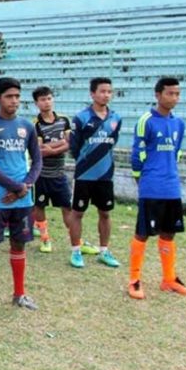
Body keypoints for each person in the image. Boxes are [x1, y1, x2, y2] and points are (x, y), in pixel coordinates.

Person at [0, 77, 42, 316]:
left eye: (17, 96)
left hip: (23, 196)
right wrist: (14, 186)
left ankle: (19, 294)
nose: (14, 101)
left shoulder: (27, 126)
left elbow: (37, 160)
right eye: (8, 96)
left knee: (19, 243)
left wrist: (25, 185)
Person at [128, 77, 186, 299]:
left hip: (171, 187)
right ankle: (134, 280)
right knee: (143, 233)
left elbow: (176, 153)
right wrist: (142, 180)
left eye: (177, 94)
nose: (174, 98)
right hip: (151, 187)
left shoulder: (179, 123)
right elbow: (137, 155)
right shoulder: (146, 120)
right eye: (170, 93)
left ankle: (169, 280)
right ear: (158, 95)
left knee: (169, 233)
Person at [68, 77, 122, 269]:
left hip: (106, 175)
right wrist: (86, 161)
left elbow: (112, 143)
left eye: (109, 91)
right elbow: (74, 148)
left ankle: (104, 250)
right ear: (92, 94)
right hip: (84, 175)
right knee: (77, 213)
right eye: (102, 91)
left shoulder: (116, 118)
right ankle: (75, 251)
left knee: (105, 213)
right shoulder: (81, 118)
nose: (106, 95)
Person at [31, 86, 73, 254]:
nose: (46, 102)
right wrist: (61, 143)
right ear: (36, 103)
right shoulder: (35, 125)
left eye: (49, 98)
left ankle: (76, 240)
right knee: (39, 206)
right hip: (41, 174)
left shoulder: (64, 120)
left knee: (67, 207)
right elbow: (40, 150)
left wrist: (53, 149)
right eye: (42, 99)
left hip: (59, 174)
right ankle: (45, 238)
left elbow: (70, 143)